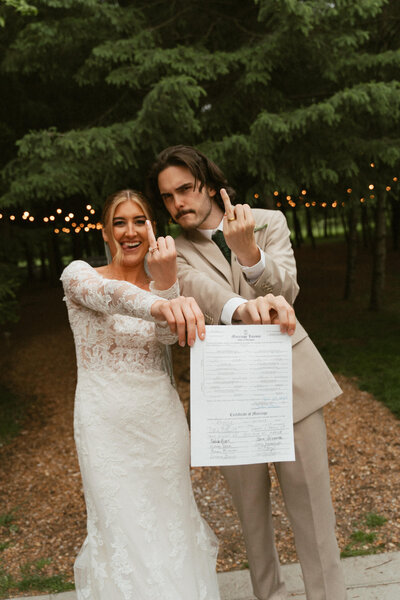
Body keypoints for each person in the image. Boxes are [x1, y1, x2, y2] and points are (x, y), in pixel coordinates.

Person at [146, 146, 348, 600]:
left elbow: (287, 292)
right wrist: (243, 307)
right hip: (228, 395)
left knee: (315, 515)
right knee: (252, 519)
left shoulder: (268, 221)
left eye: (185, 189)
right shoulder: (170, 251)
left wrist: (251, 255)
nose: (177, 204)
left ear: (209, 184)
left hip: (291, 382)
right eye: (167, 197)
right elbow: (199, 292)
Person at [61, 189, 222, 600]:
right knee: (119, 528)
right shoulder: (80, 274)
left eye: (138, 221)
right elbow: (112, 297)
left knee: (171, 525)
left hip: (159, 424)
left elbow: (172, 336)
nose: (129, 231)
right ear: (104, 230)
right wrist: (159, 303)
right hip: (103, 427)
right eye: (119, 221)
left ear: (152, 229)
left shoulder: (167, 285)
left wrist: (166, 285)